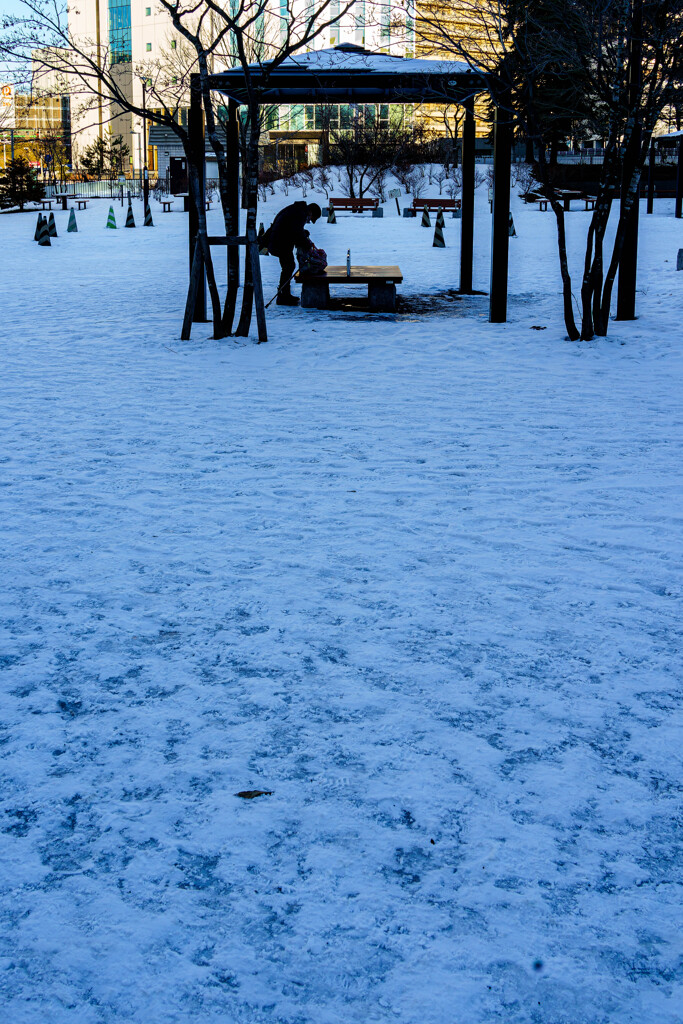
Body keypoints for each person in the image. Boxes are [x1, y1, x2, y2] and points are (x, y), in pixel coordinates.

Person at [266, 201, 321, 306]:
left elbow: (293, 228)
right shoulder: (299, 213)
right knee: (288, 266)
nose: (309, 221)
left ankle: (284, 294)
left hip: (280, 241)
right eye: (311, 218)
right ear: (310, 212)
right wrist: (307, 244)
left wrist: (303, 233)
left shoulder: (297, 210)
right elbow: (296, 232)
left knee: (288, 266)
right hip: (280, 242)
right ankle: (282, 296)